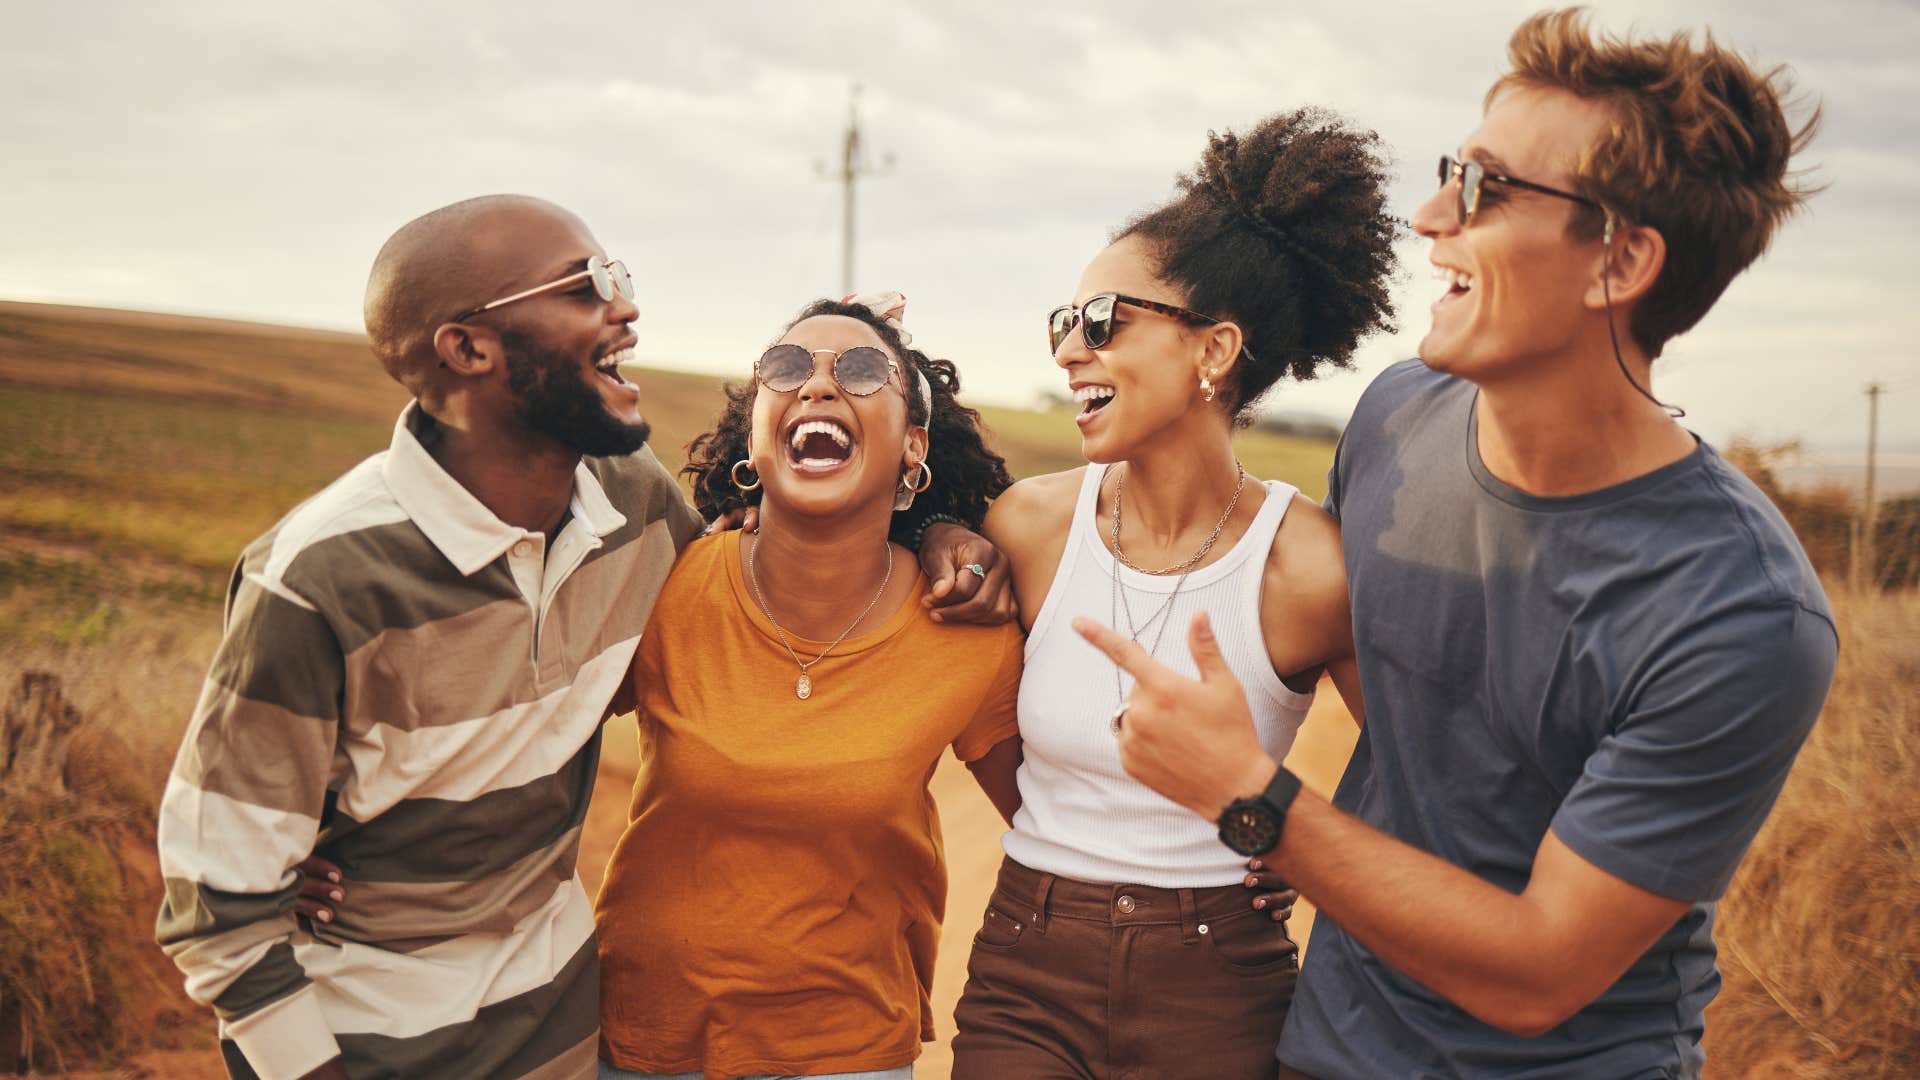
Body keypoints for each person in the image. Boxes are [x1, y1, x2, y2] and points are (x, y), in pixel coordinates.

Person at [1077, 10, 1835, 1078]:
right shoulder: (1396, 418)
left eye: (1482, 189)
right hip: (1325, 1047)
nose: (1430, 217)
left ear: (1619, 259)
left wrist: (1258, 802)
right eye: (1451, 174)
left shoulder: (1741, 614)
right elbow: (1406, 727)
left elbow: (1538, 971)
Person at [154, 197, 1008, 1080]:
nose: (626, 309)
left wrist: (939, 527)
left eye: (621, 278)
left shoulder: (632, 515)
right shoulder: (319, 576)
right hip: (373, 1045)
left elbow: (810, 546)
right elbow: (220, 903)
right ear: (468, 349)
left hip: (563, 1037)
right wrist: (302, 851)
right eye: (585, 286)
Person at [948, 107, 1398, 1079]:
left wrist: (1278, 834)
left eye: (1103, 321)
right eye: (1063, 324)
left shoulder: (1309, 569)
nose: (1070, 350)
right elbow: (966, 718)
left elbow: (1424, 782)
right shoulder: (1026, 528)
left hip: (1222, 981)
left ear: (1213, 351)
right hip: (1028, 965)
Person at [591, 296, 1025, 1080]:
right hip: (643, 1041)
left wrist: (1232, 859)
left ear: (913, 447)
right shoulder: (668, 585)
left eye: (861, 372)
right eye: (787, 368)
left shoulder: (965, 622)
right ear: (754, 440)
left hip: (846, 1052)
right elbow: (522, 739)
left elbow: (1054, 824)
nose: (818, 386)